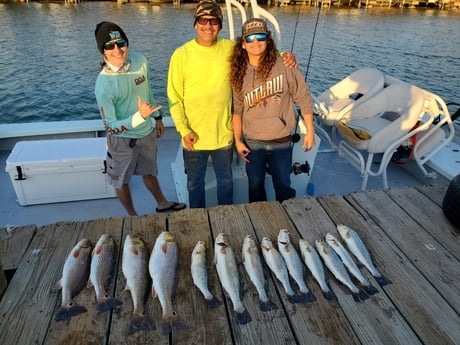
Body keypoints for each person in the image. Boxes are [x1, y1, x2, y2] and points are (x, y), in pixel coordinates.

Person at [167, 0, 297, 208]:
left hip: (224, 135)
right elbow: (174, 98)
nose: (208, 26)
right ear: (195, 23)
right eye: (203, 20)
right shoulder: (180, 55)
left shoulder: (230, 48)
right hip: (193, 137)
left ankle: (227, 220)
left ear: (220, 25)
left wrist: (285, 57)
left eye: (214, 21)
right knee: (194, 184)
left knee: (226, 183)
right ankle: (198, 219)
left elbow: (258, 52)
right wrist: (183, 130)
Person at [94, 21, 186, 215]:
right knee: (121, 180)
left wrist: (158, 117)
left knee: (149, 172)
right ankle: (133, 216)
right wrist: (139, 117)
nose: (117, 49)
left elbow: (147, 92)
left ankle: (162, 202)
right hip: (121, 141)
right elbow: (110, 126)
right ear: (103, 51)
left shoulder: (141, 61)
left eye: (121, 43)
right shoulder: (103, 84)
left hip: (146, 132)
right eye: (110, 46)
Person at [229, 18, 315, 203]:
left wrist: (310, 131)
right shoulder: (238, 72)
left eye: (261, 37)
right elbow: (237, 111)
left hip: (281, 141)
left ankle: (289, 217)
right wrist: (238, 141)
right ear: (243, 44)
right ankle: (260, 222)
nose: (256, 42)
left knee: (283, 184)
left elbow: (303, 97)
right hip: (253, 142)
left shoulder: (285, 65)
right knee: (255, 184)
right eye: (250, 38)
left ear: (268, 40)